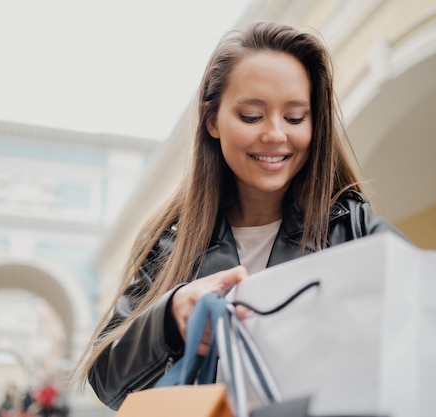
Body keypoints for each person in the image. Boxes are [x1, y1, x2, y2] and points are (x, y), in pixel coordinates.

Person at [71, 21, 406, 410]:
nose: (276, 134)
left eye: (296, 118)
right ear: (212, 121)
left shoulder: (355, 229)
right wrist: (171, 316)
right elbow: (105, 375)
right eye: (251, 116)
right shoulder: (171, 242)